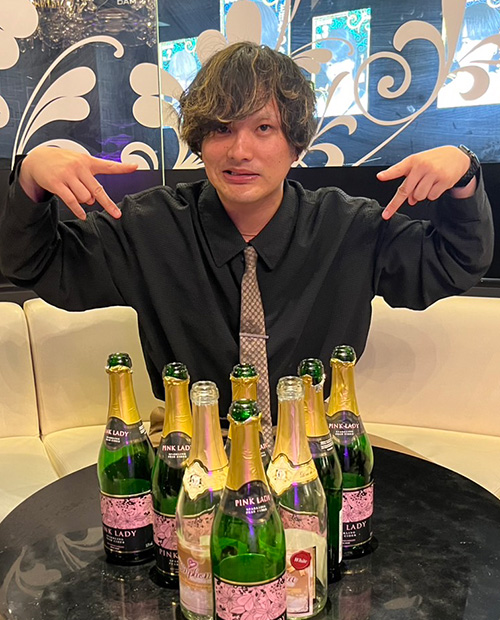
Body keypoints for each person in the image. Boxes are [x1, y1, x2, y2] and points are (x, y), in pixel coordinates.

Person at [0, 41, 494, 434]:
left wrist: (463, 174)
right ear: (199, 141)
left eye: (263, 128)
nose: (240, 151)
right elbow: (36, 263)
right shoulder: (149, 226)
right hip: (188, 444)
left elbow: (453, 263)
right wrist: (31, 179)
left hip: (314, 441)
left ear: (295, 143)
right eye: (221, 129)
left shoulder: (348, 226)